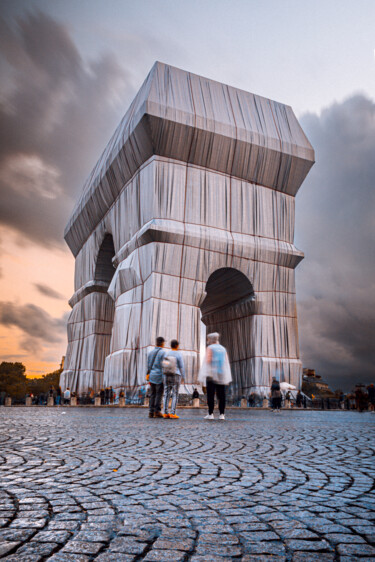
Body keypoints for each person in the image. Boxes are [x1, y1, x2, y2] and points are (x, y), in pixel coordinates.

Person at [198, 332, 232, 420]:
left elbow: (208, 361)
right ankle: (222, 414)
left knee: (210, 394)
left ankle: (211, 413)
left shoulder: (210, 348)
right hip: (221, 374)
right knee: (221, 395)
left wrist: (204, 372)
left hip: (211, 375)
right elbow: (226, 362)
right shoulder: (223, 349)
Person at [162, 339, 185, 419]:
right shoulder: (179, 354)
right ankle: (172, 413)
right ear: (177, 345)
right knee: (175, 394)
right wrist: (183, 376)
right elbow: (181, 366)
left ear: (171, 345)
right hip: (176, 374)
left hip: (166, 375)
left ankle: (165, 413)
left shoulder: (166, 353)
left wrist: (163, 374)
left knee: (166, 393)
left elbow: (164, 365)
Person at [147, 336, 166, 418]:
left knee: (152, 394)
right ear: (162, 343)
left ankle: (150, 412)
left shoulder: (150, 353)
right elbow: (164, 366)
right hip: (159, 376)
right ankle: (157, 411)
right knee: (159, 394)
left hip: (152, 376)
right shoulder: (163, 353)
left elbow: (148, 365)